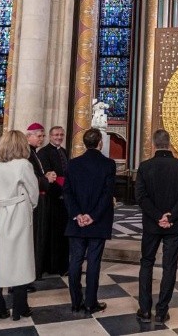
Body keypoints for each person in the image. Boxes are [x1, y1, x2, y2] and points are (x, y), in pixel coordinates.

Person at [135, 129, 178, 324]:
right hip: (173, 225)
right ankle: (161, 312)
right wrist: (171, 215)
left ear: (153, 143)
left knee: (146, 262)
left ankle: (144, 310)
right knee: (169, 266)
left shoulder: (145, 167)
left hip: (152, 225)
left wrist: (157, 216)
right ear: (169, 143)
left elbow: (141, 196)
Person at [0, 130, 39, 323]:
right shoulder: (24, 165)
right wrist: (28, 205)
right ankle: (20, 307)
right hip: (18, 213)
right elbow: (33, 191)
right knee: (19, 259)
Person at [63, 128, 116, 315]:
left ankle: (75, 302)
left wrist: (78, 215)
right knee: (93, 262)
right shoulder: (108, 164)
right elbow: (106, 195)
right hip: (97, 222)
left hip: (77, 222)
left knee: (75, 261)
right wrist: (92, 216)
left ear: (85, 143)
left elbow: (67, 192)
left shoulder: (73, 164)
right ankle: (90, 303)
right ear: (100, 142)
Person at [36, 125, 71, 275]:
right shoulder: (44, 152)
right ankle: (51, 266)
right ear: (50, 137)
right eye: (56, 135)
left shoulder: (63, 151)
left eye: (61, 135)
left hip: (63, 199)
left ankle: (61, 264)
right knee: (52, 233)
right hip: (52, 198)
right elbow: (48, 176)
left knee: (62, 233)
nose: (59, 137)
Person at [26, 122, 57, 285]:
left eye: (43, 136)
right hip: (33, 203)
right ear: (28, 136)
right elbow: (29, 180)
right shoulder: (27, 154)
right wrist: (46, 179)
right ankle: (31, 273)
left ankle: (36, 270)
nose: (42, 139)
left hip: (40, 200)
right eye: (39, 136)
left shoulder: (34, 153)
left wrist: (45, 176)